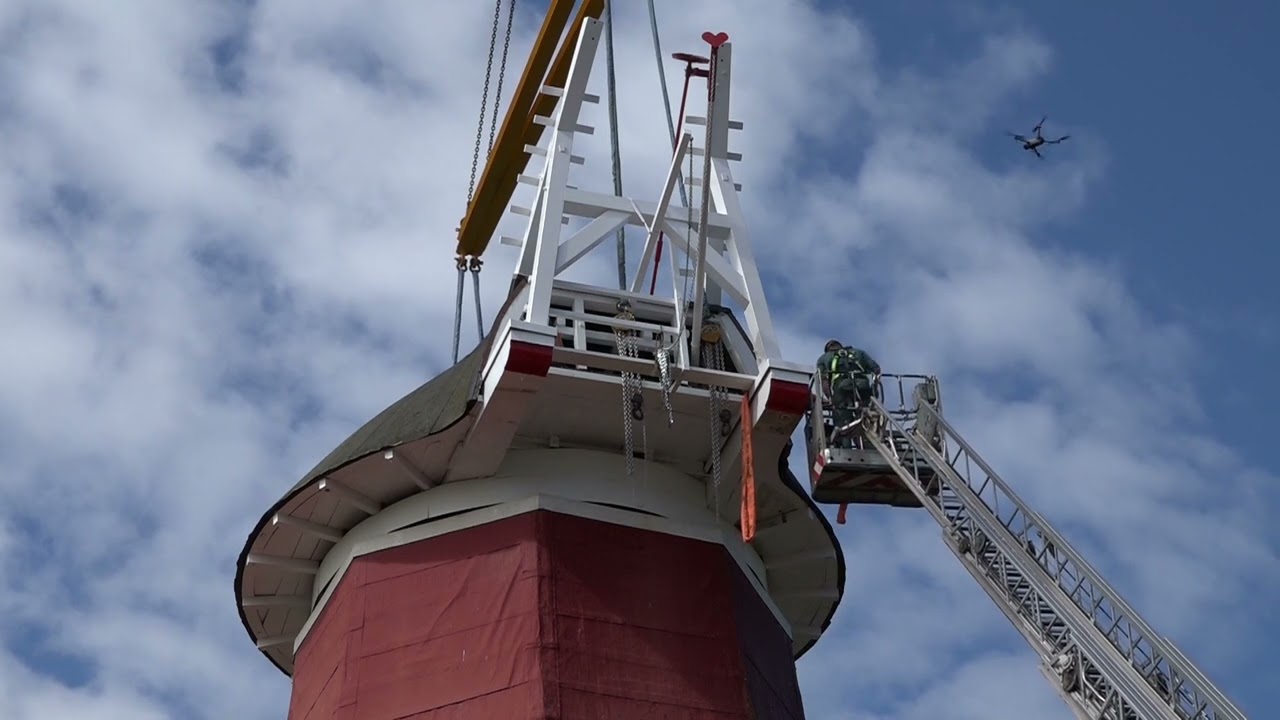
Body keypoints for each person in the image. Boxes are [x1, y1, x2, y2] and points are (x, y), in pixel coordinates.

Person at [816, 339, 881, 440]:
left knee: (842, 423)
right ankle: (870, 441)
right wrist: (874, 390)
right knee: (867, 417)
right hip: (863, 386)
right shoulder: (858, 353)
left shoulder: (824, 358)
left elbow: (824, 380)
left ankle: (846, 444)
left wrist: (830, 398)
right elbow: (876, 369)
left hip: (842, 389)